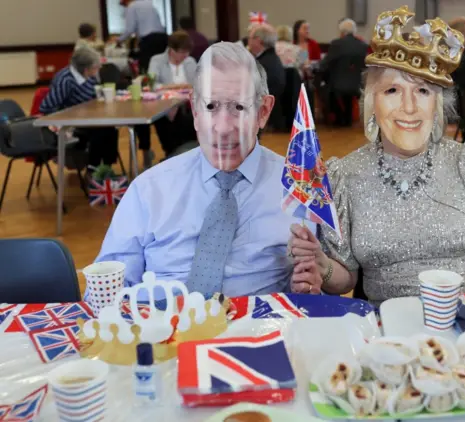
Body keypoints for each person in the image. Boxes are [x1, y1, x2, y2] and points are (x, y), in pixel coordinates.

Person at [287, 7, 465, 305]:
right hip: (387, 336)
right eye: (393, 91)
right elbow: (346, 277)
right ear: (372, 102)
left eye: (423, 91)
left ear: (437, 104)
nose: (409, 107)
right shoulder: (345, 175)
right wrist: (322, 267)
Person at [94, 42, 316, 299]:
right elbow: (107, 290)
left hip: (257, 330)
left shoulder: (299, 188)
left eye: (239, 108)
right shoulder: (148, 190)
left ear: (263, 111)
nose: (223, 128)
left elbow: (312, 288)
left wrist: (309, 287)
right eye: (211, 107)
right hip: (160, 329)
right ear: (195, 110)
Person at [39, 48, 119, 171]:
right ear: (86, 69)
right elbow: (47, 107)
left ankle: (106, 168)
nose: (98, 70)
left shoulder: (90, 76)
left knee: (110, 128)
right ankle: (94, 169)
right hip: (68, 123)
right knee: (100, 131)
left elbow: (91, 97)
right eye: (96, 67)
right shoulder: (65, 79)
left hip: (87, 117)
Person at [136, 30, 198, 165]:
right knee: (162, 118)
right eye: (182, 52)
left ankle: (183, 154)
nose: (185, 56)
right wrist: (178, 87)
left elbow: (197, 83)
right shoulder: (157, 60)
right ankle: (171, 153)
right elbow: (152, 83)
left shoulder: (190, 61)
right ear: (171, 50)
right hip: (164, 104)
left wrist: (170, 87)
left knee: (186, 119)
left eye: (187, 52)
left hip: (186, 105)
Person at [319, 18, 368, 127]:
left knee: (325, 85)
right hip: (356, 83)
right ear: (354, 31)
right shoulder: (362, 45)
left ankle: (337, 118)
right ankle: (348, 119)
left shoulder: (337, 44)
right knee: (345, 90)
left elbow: (326, 63)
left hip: (338, 84)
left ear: (342, 32)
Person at [248, 24, 286, 131]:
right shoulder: (272, 58)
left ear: (258, 40)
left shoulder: (261, 63)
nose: (248, 42)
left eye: (250, 38)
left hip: (263, 113)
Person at [118, 0, 167, 73]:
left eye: (124, 5)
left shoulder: (132, 7)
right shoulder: (148, 4)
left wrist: (119, 40)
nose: (125, 7)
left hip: (149, 40)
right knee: (161, 66)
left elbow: (130, 29)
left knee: (147, 68)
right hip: (162, 38)